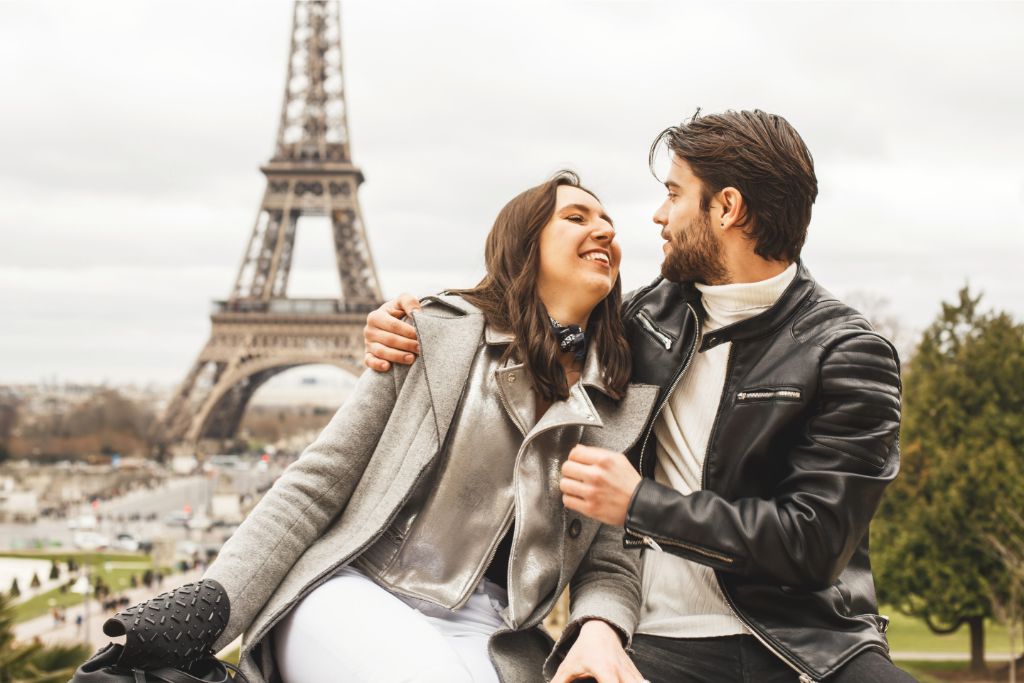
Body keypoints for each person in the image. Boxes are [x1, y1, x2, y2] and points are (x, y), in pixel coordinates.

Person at [363, 110, 916, 683]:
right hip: (650, 641)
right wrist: (418, 327)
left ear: (726, 208)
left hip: (805, 644)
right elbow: (527, 327)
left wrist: (641, 503)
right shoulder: (640, 323)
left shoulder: (850, 352)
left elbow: (813, 544)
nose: (658, 214)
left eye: (674, 194)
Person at [166, 172, 655, 683]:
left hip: (492, 633)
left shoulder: (620, 402)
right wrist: (205, 608)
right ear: (523, 244)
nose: (603, 232)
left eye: (609, 224)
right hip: (358, 590)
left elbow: (609, 561)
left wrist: (600, 625)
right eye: (576, 218)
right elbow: (315, 486)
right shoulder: (433, 335)